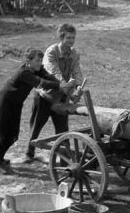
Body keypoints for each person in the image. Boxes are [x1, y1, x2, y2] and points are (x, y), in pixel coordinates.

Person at [0, 48, 73, 173]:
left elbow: (48, 76)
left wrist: (61, 84)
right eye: (37, 60)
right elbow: (41, 82)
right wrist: (60, 86)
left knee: (13, 133)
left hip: (16, 104)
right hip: (5, 102)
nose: (40, 63)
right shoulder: (24, 73)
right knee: (3, 132)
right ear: (28, 61)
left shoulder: (37, 69)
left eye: (40, 60)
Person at [23, 23, 84, 163]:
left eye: (73, 38)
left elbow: (77, 71)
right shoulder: (51, 51)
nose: (71, 41)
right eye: (68, 37)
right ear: (61, 37)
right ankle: (29, 154)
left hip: (61, 98)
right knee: (36, 126)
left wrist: (79, 86)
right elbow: (53, 73)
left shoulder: (75, 53)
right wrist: (67, 87)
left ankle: (64, 158)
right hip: (45, 96)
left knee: (63, 130)